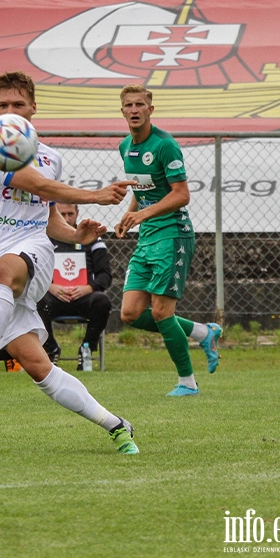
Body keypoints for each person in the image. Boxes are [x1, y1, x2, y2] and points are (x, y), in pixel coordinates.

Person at [0, 71, 141, 454]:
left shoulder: (51, 157)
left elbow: (42, 211)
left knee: (4, 270)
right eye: (2, 105)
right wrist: (90, 206)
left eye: (18, 104)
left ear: (33, 108)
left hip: (29, 251)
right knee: (38, 367)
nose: (10, 112)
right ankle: (116, 425)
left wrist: (68, 237)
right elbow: (34, 188)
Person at [113, 83, 223, 397]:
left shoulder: (165, 145)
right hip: (147, 238)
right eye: (128, 105)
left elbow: (181, 195)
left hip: (172, 235)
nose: (134, 110)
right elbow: (142, 190)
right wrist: (129, 214)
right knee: (130, 313)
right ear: (122, 110)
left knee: (162, 312)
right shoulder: (125, 147)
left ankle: (187, 382)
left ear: (150, 109)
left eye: (139, 105)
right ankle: (204, 332)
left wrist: (143, 216)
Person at [37, 202, 113, 371]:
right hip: (55, 297)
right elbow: (34, 272)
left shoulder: (92, 239)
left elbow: (105, 275)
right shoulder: (44, 238)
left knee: (102, 301)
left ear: (77, 213)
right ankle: (50, 349)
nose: (67, 218)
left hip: (83, 297)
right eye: (62, 215)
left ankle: (87, 348)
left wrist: (89, 288)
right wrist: (51, 287)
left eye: (70, 214)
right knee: (35, 301)